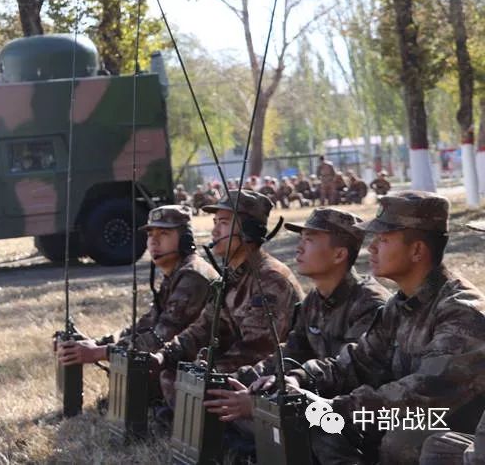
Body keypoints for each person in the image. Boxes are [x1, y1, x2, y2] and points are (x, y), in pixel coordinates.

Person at [283, 191, 485, 465]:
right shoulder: (400, 305)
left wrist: (334, 408)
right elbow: (359, 360)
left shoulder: (461, 311)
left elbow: (423, 395)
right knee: (321, 425)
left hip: (450, 427)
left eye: (384, 239)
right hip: (404, 414)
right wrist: (300, 379)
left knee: (402, 438)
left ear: (417, 251)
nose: (372, 248)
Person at [201, 208, 389, 434]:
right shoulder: (314, 300)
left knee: (266, 412)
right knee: (230, 400)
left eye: (309, 241)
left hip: (351, 410)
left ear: (339, 255)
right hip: (311, 391)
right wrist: (242, 377)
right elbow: (292, 352)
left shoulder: (369, 303)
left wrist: (282, 388)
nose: (299, 248)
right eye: (301, 239)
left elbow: (351, 371)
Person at [146, 190, 304, 404]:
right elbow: (203, 328)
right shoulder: (231, 277)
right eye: (215, 222)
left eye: (223, 223)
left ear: (248, 231)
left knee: (188, 381)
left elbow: (256, 348)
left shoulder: (270, 279)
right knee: (170, 373)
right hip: (237, 367)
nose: (214, 231)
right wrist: (165, 355)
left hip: (268, 375)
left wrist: (208, 370)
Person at [56, 205, 217, 368]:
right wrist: (97, 343)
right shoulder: (177, 273)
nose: (154, 241)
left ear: (185, 239)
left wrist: (99, 352)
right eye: (150, 234)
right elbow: (146, 325)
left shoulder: (192, 276)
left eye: (164, 233)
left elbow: (161, 338)